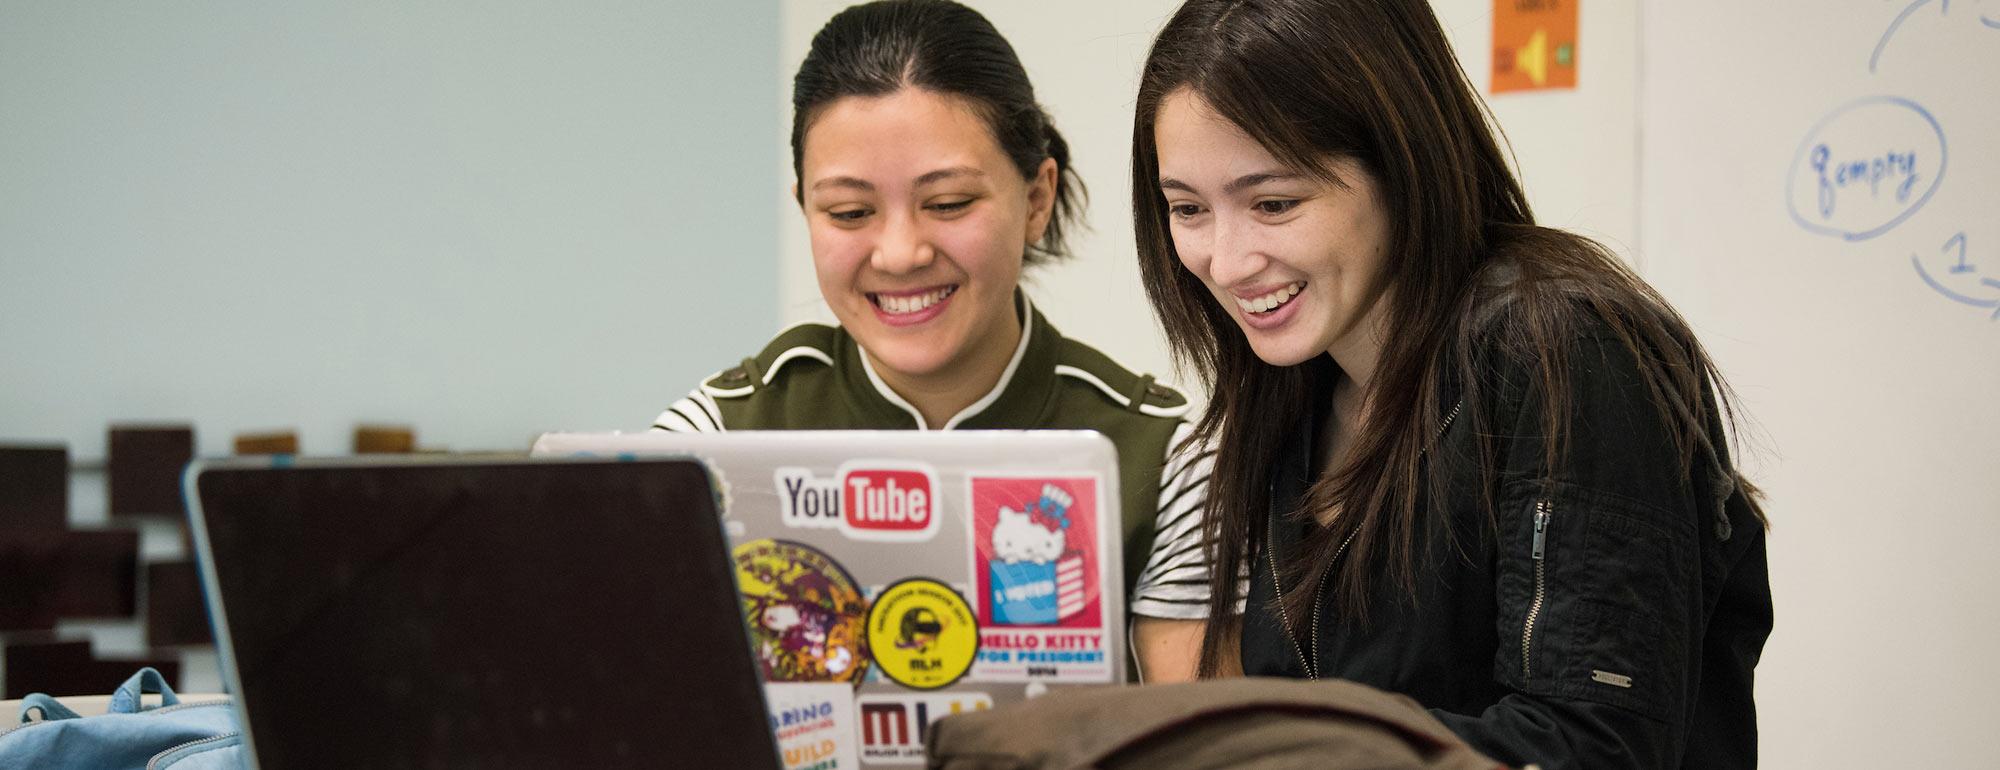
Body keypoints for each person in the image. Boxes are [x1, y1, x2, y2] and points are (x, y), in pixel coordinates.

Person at [1125, 1, 1773, 768]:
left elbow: (1595, 745)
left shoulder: (1567, 348)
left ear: (1401, 162)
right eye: (1188, 209)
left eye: (1274, 204)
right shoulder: (1293, 387)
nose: (1225, 263)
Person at [651, 0, 1212, 676]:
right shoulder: (711, 439)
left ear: (1036, 199)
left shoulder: (1166, 459)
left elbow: (1203, 740)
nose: (899, 253)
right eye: (850, 212)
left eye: (947, 204)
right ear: (805, 208)